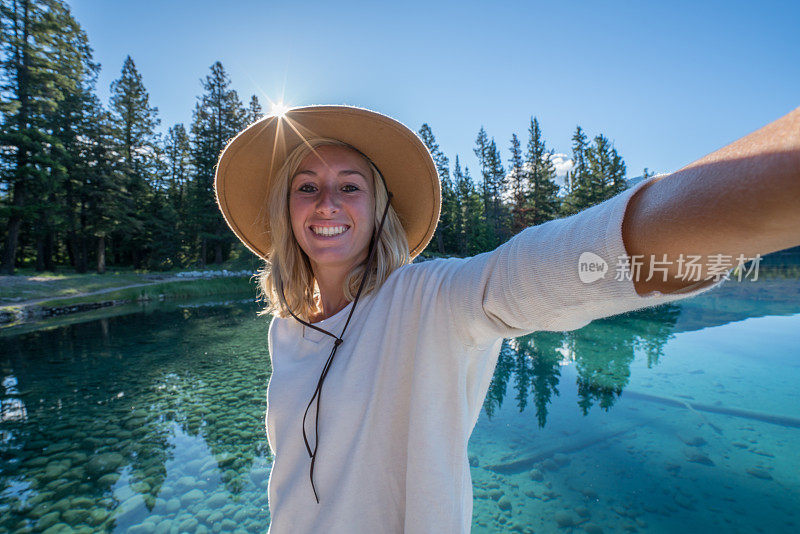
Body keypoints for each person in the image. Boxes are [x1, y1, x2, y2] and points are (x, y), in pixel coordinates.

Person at [214, 105, 800, 533]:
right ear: (285, 210)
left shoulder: (429, 301)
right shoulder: (286, 329)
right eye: (307, 187)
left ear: (379, 210)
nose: (327, 203)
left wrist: (762, 190)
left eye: (351, 186)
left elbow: (539, 270)